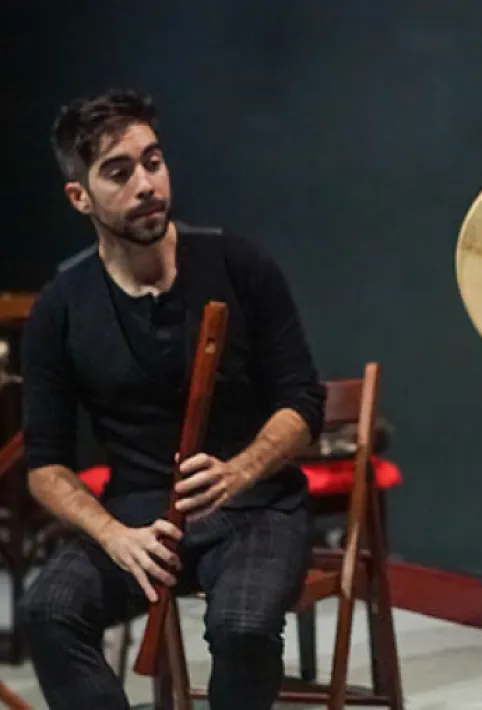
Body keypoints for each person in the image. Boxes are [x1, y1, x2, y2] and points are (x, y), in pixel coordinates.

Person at [15, 89, 325, 710]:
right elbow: (45, 465)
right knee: (47, 611)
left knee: (242, 628)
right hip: (136, 515)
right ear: (80, 197)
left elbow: (304, 404)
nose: (147, 184)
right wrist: (111, 533)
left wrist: (239, 471)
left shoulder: (239, 263)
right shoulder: (61, 306)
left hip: (256, 506)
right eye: (119, 172)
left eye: (153, 161)